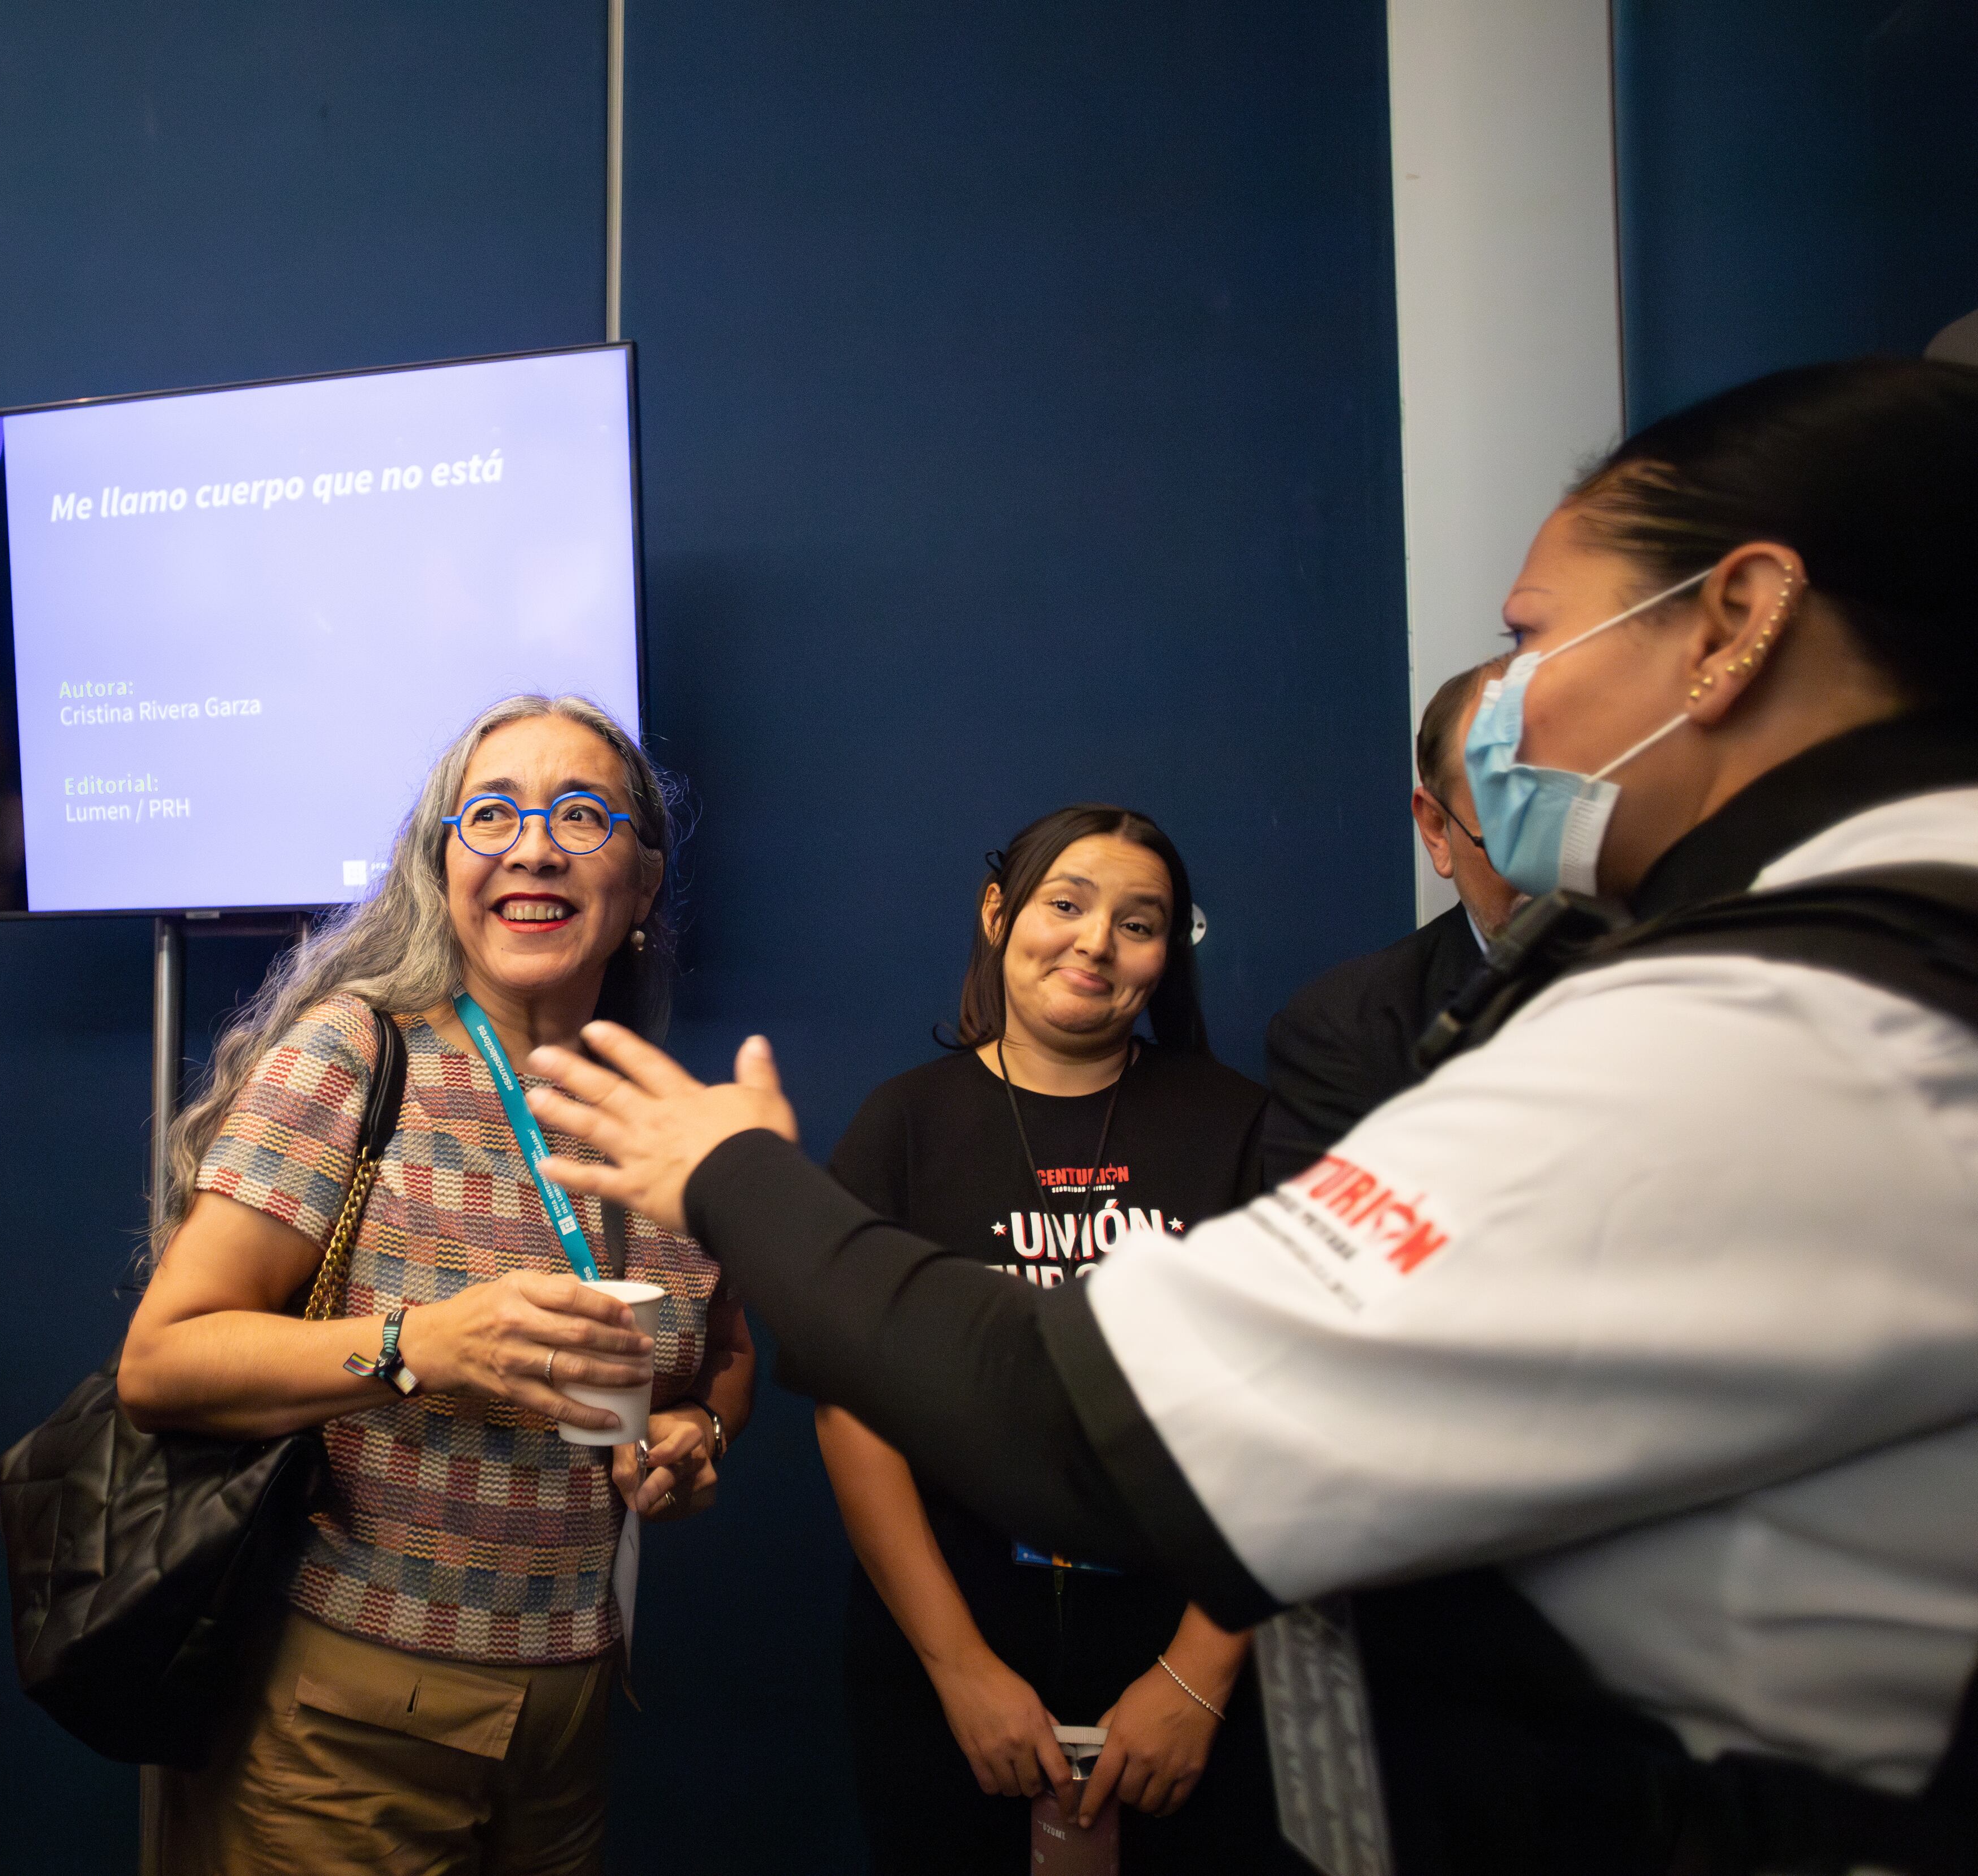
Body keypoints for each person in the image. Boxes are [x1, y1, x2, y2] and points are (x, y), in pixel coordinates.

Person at [518, 359, 1978, 1874]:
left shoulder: (1784, 1028)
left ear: (1735, 621)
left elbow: (1101, 1428)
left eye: (1532, 636)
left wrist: (734, 1174)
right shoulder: (1853, 965)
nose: (1509, 705)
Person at [117, 693, 755, 1876]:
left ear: (642, 887)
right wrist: (420, 1345)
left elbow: (723, 1343)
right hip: (348, 1708)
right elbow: (163, 1361)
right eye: (492, 814)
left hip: (568, 1708)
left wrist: (692, 1427)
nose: (533, 845)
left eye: (581, 814)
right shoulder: (357, 1055)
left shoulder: (657, 1110)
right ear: (444, 862)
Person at [815, 805, 1299, 1872]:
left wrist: (1196, 1678)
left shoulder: (1245, 1128)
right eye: (1066, 904)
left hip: (1191, 1632)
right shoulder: (902, 1125)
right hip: (951, 1632)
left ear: (1166, 955)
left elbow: (1296, 1410)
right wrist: (961, 1670)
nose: (1095, 941)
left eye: (1140, 921)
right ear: (1000, 914)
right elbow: (855, 1410)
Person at [1259, 657, 1519, 1181]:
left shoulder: (1711, 966)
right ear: (1438, 830)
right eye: (1513, 829)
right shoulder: (1351, 1030)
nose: (1555, 866)